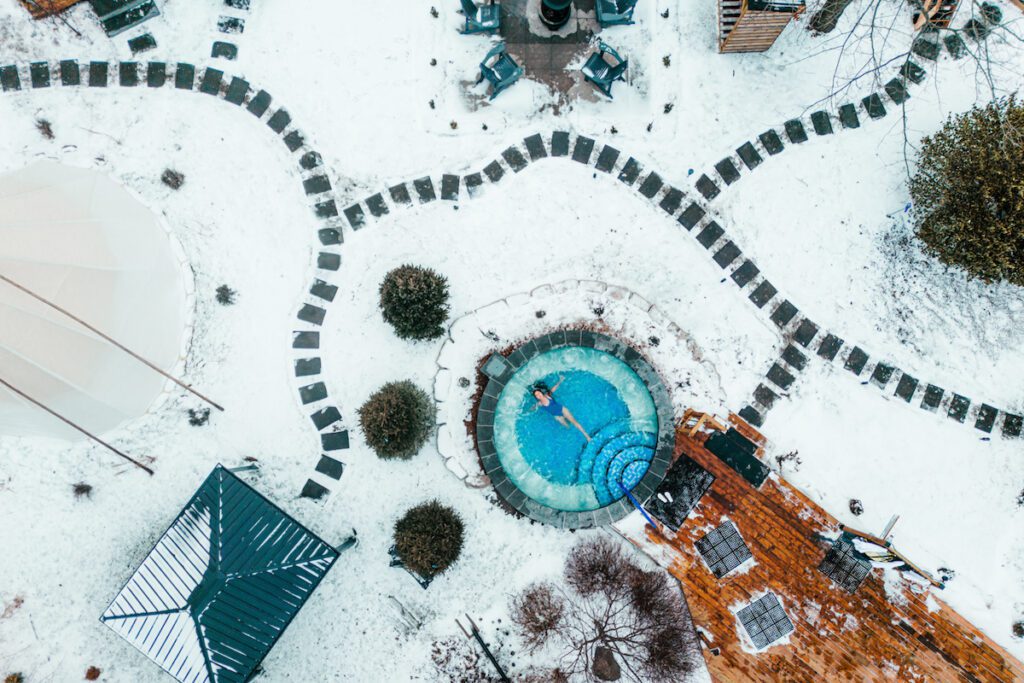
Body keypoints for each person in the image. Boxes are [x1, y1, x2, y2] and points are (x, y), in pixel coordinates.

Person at [530, 376, 591, 441]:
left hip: (563, 410)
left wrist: (560, 380)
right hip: (557, 416)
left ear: (541, 393)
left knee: (575, 422)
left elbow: (554, 388)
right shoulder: (539, 403)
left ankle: (587, 437)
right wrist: (528, 411)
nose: (538, 395)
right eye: (536, 395)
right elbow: (532, 408)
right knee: (568, 427)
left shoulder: (547, 395)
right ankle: (575, 437)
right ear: (536, 397)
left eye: (538, 393)